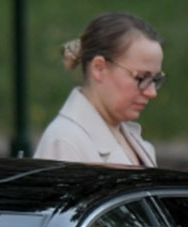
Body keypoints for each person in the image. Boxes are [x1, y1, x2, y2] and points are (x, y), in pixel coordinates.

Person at [34, 12, 165, 167]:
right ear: (99, 68)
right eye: (141, 78)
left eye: (155, 80)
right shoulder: (65, 142)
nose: (152, 92)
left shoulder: (133, 139)